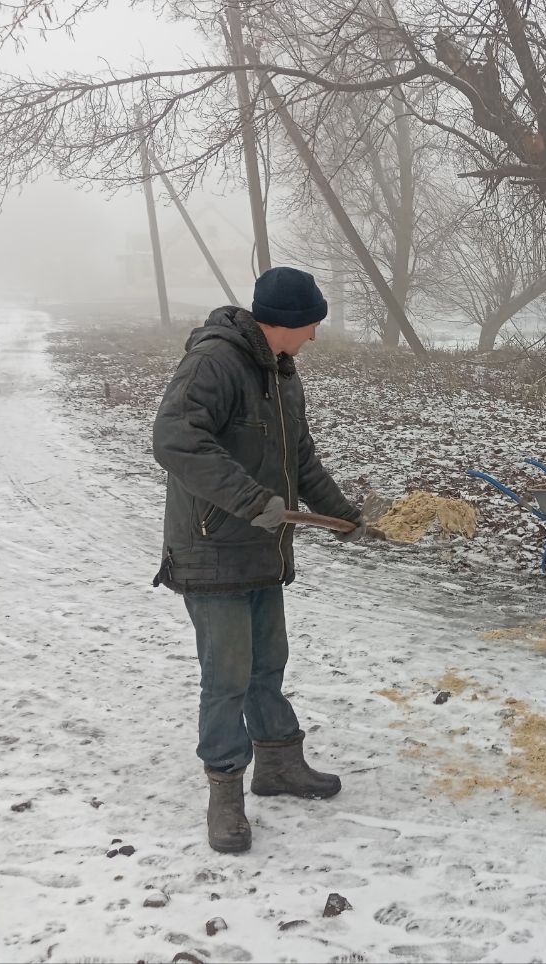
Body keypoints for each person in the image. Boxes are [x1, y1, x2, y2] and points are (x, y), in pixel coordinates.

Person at [152, 266, 368, 853]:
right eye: (313, 325)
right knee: (226, 678)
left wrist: (344, 513)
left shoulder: (283, 375)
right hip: (213, 548)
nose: (316, 337)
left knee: (267, 663)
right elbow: (174, 438)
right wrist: (252, 501)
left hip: (262, 551)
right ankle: (225, 796)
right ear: (289, 323)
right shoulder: (215, 364)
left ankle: (278, 764)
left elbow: (300, 458)